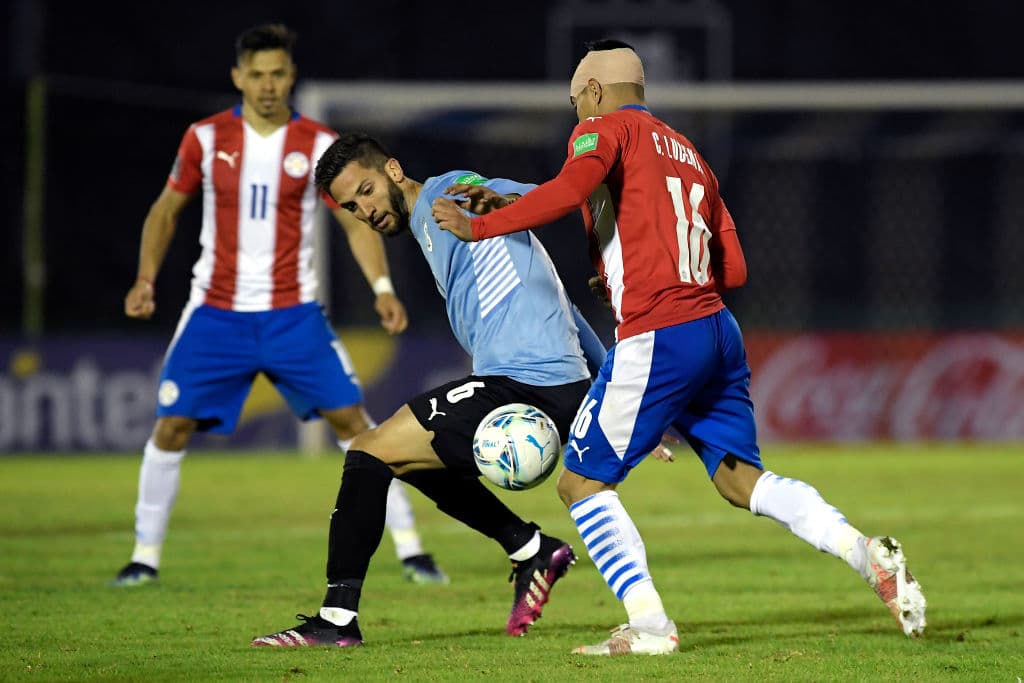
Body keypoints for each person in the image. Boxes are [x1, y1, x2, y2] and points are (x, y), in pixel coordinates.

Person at [432, 39, 928, 655]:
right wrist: (634, 264)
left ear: (591, 92)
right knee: (740, 479)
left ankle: (649, 628)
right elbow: (735, 269)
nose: (576, 117)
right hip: (718, 330)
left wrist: (480, 226)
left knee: (580, 485)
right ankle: (864, 552)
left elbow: (569, 189)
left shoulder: (600, 131)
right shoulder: (691, 154)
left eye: (574, 103)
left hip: (659, 332)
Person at [111, 24, 446, 589]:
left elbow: (352, 220)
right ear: (239, 76)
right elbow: (166, 210)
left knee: (358, 426)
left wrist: (382, 289)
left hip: (294, 315)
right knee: (170, 426)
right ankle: (143, 556)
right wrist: (145, 278)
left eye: (278, 74)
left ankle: (412, 549)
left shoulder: (316, 145)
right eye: (257, 74)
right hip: (216, 313)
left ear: (292, 76)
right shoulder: (205, 138)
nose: (268, 85)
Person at [251, 132, 610, 648]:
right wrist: (604, 385)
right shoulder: (432, 232)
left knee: (369, 452)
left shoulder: (451, 193)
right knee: (412, 460)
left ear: (394, 170)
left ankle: (336, 620)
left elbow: (520, 192)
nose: (365, 212)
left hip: (524, 383)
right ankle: (530, 548)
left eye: (367, 191)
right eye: (352, 207)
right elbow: (563, 305)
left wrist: (503, 199)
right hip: (544, 383)